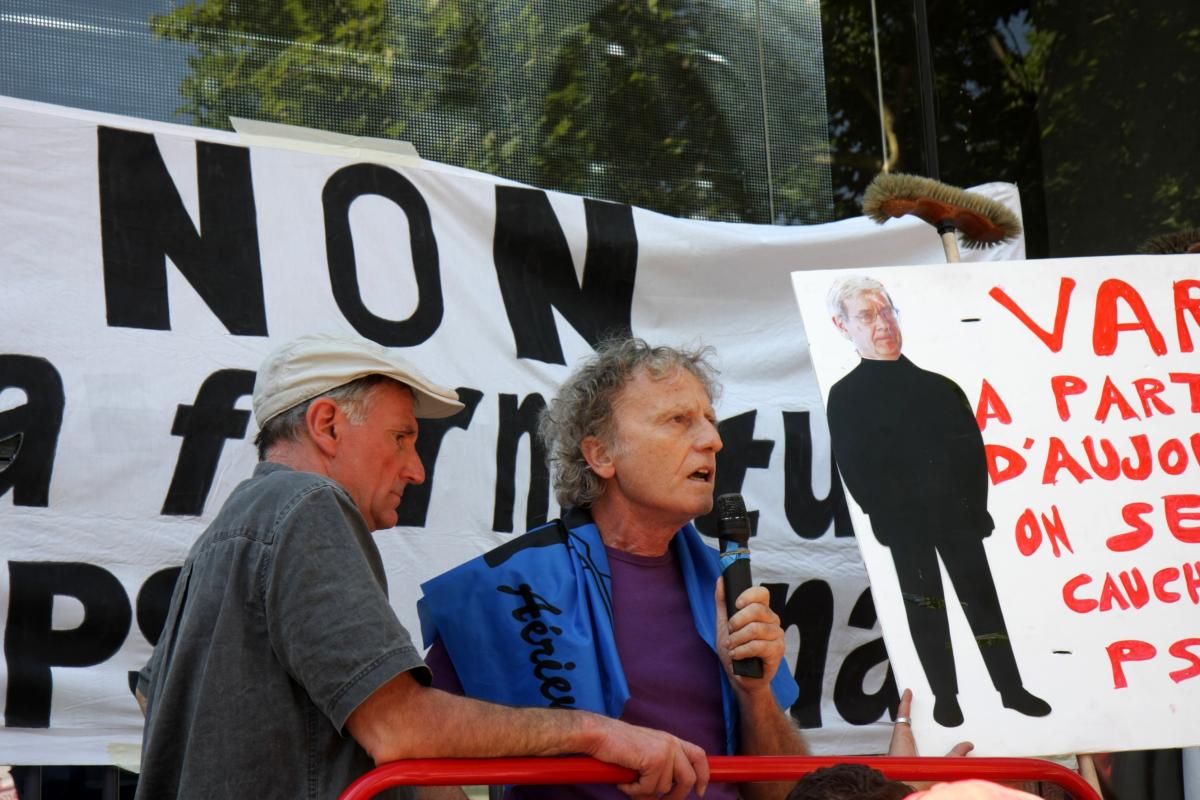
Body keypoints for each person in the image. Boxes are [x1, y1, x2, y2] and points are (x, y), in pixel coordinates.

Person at [134, 332, 710, 800]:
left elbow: (148, 692)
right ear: (327, 425)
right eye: (401, 437)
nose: (416, 469)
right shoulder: (308, 504)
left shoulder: (225, 531)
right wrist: (595, 732)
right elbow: (399, 729)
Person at [418, 338, 807, 800]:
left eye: (710, 420)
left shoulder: (725, 586)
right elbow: (419, 744)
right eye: (678, 420)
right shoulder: (509, 585)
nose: (713, 440)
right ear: (601, 454)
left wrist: (755, 694)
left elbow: (785, 792)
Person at [823, 276, 1051, 729]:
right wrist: (882, 514)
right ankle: (945, 697)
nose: (882, 324)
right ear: (842, 326)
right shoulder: (845, 396)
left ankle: (1011, 689)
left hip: (957, 517)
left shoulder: (940, 387)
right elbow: (853, 465)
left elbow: (972, 454)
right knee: (925, 607)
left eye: (886, 312)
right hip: (903, 524)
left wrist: (976, 508)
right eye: (866, 316)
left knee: (982, 601)